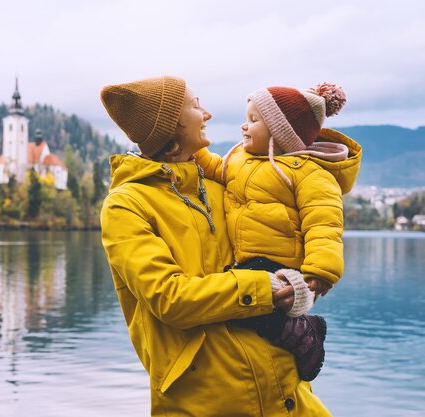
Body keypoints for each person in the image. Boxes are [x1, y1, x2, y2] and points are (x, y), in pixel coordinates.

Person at [100, 75, 334, 416]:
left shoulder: (221, 186)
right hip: (209, 400)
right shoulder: (126, 205)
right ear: (173, 124)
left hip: (283, 387)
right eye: (196, 105)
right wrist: (264, 287)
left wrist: (299, 284)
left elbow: (282, 239)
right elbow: (169, 298)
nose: (206, 114)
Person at [194, 83, 362, 381]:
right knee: (240, 304)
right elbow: (213, 168)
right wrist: (192, 151)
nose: (244, 126)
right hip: (247, 260)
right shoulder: (239, 161)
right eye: (246, 118)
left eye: (254, 120)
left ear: (280, 132)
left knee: (247, 305)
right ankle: (297, 332)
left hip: (281, 263)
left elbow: (324, 224)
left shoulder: (310, 173)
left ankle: (304, 335)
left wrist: (322, 269)